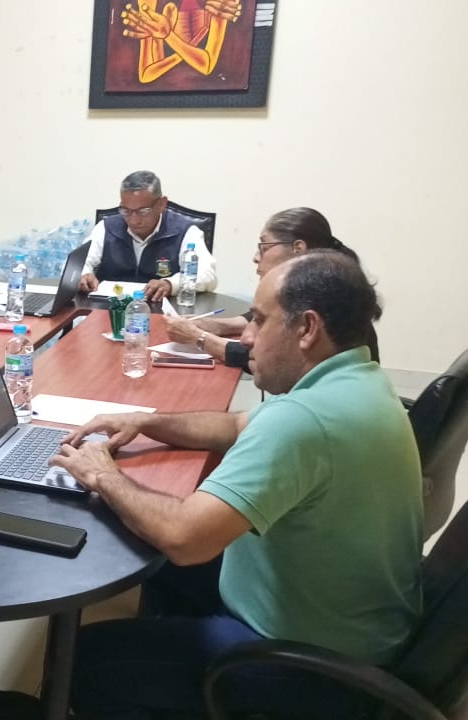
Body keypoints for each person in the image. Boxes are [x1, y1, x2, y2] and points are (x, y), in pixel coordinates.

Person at [51, 251, 422, 718]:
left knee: (80, 660)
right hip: (348, 624)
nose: (245, 338)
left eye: (259, 321)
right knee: (148, 556)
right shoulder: (357, 381)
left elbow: (184, 538)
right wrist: (144, 421)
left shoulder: (303, 420)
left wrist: (104, 474)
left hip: (309, 666)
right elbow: (236, 424)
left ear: (307, 328)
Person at [166, 206, 378, 367]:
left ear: (298, 249)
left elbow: (268, 358)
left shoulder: (318, 298)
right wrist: (216, 325)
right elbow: (267, 315)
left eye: (264, 247)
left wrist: (199, 338)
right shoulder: (321, 282)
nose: (256, 257)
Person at [78, 170, 217, 301]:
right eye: (126, 211)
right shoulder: (106, 227)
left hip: (162, 309)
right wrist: (83, 275)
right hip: (110, 308)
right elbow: (79, 263)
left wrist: (170, 284)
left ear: (162, 204)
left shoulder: (185, 231)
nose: (134, 220)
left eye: (143, 211)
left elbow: (207, 275)